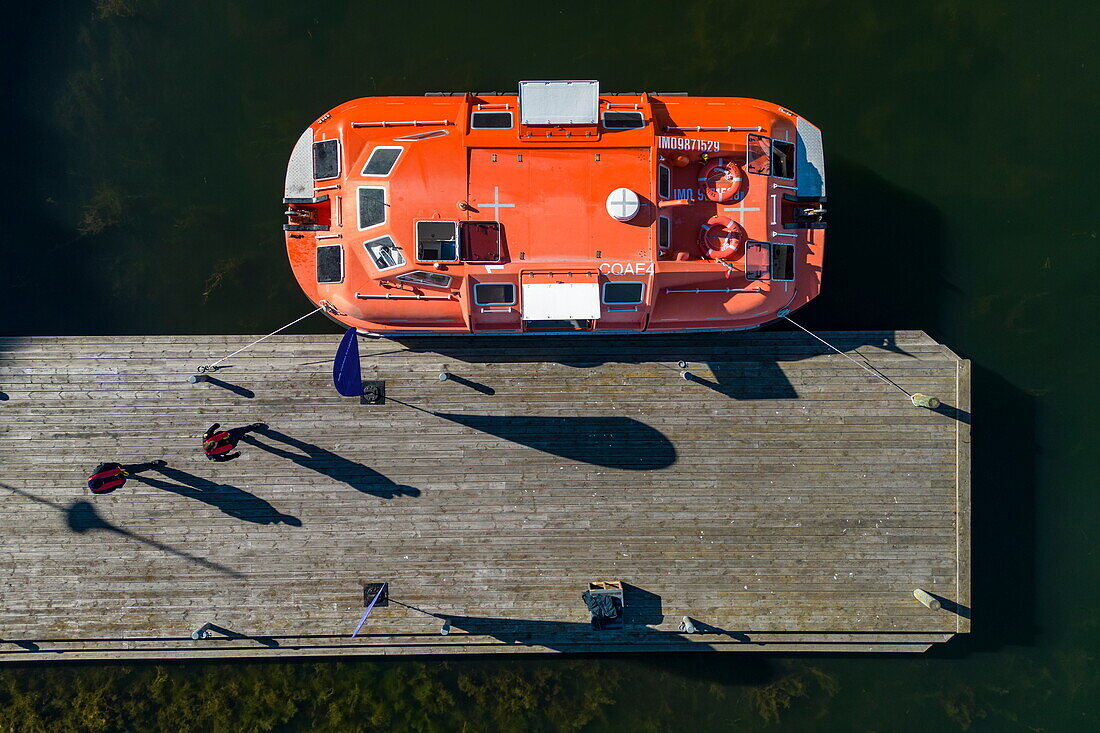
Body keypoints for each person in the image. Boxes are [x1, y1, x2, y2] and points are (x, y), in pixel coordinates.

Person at [87, 460, 166, 495]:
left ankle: (152, 465)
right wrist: (119, 484)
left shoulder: (97, 472)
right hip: (119, 478)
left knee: (136, 468)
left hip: (117, 470)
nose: (104, 482)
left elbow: (106, 465)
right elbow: (109, 489)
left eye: (102, 481)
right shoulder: (97, 490)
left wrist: (116, 465)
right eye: (102, 484)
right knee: (132, 474)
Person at [202, 422, 266, 462]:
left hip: (226, 435)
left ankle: (252, 427)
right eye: (215, 444)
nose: (216, 442)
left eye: (214, 441)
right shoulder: (213, 457)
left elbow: (209, 431)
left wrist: (214, 426)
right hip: (230, 444)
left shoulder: (207, 437)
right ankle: (240, 437)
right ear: (213, 449)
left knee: (241, 430)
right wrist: (234, 455)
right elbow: (224, 459)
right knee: (237, 438)